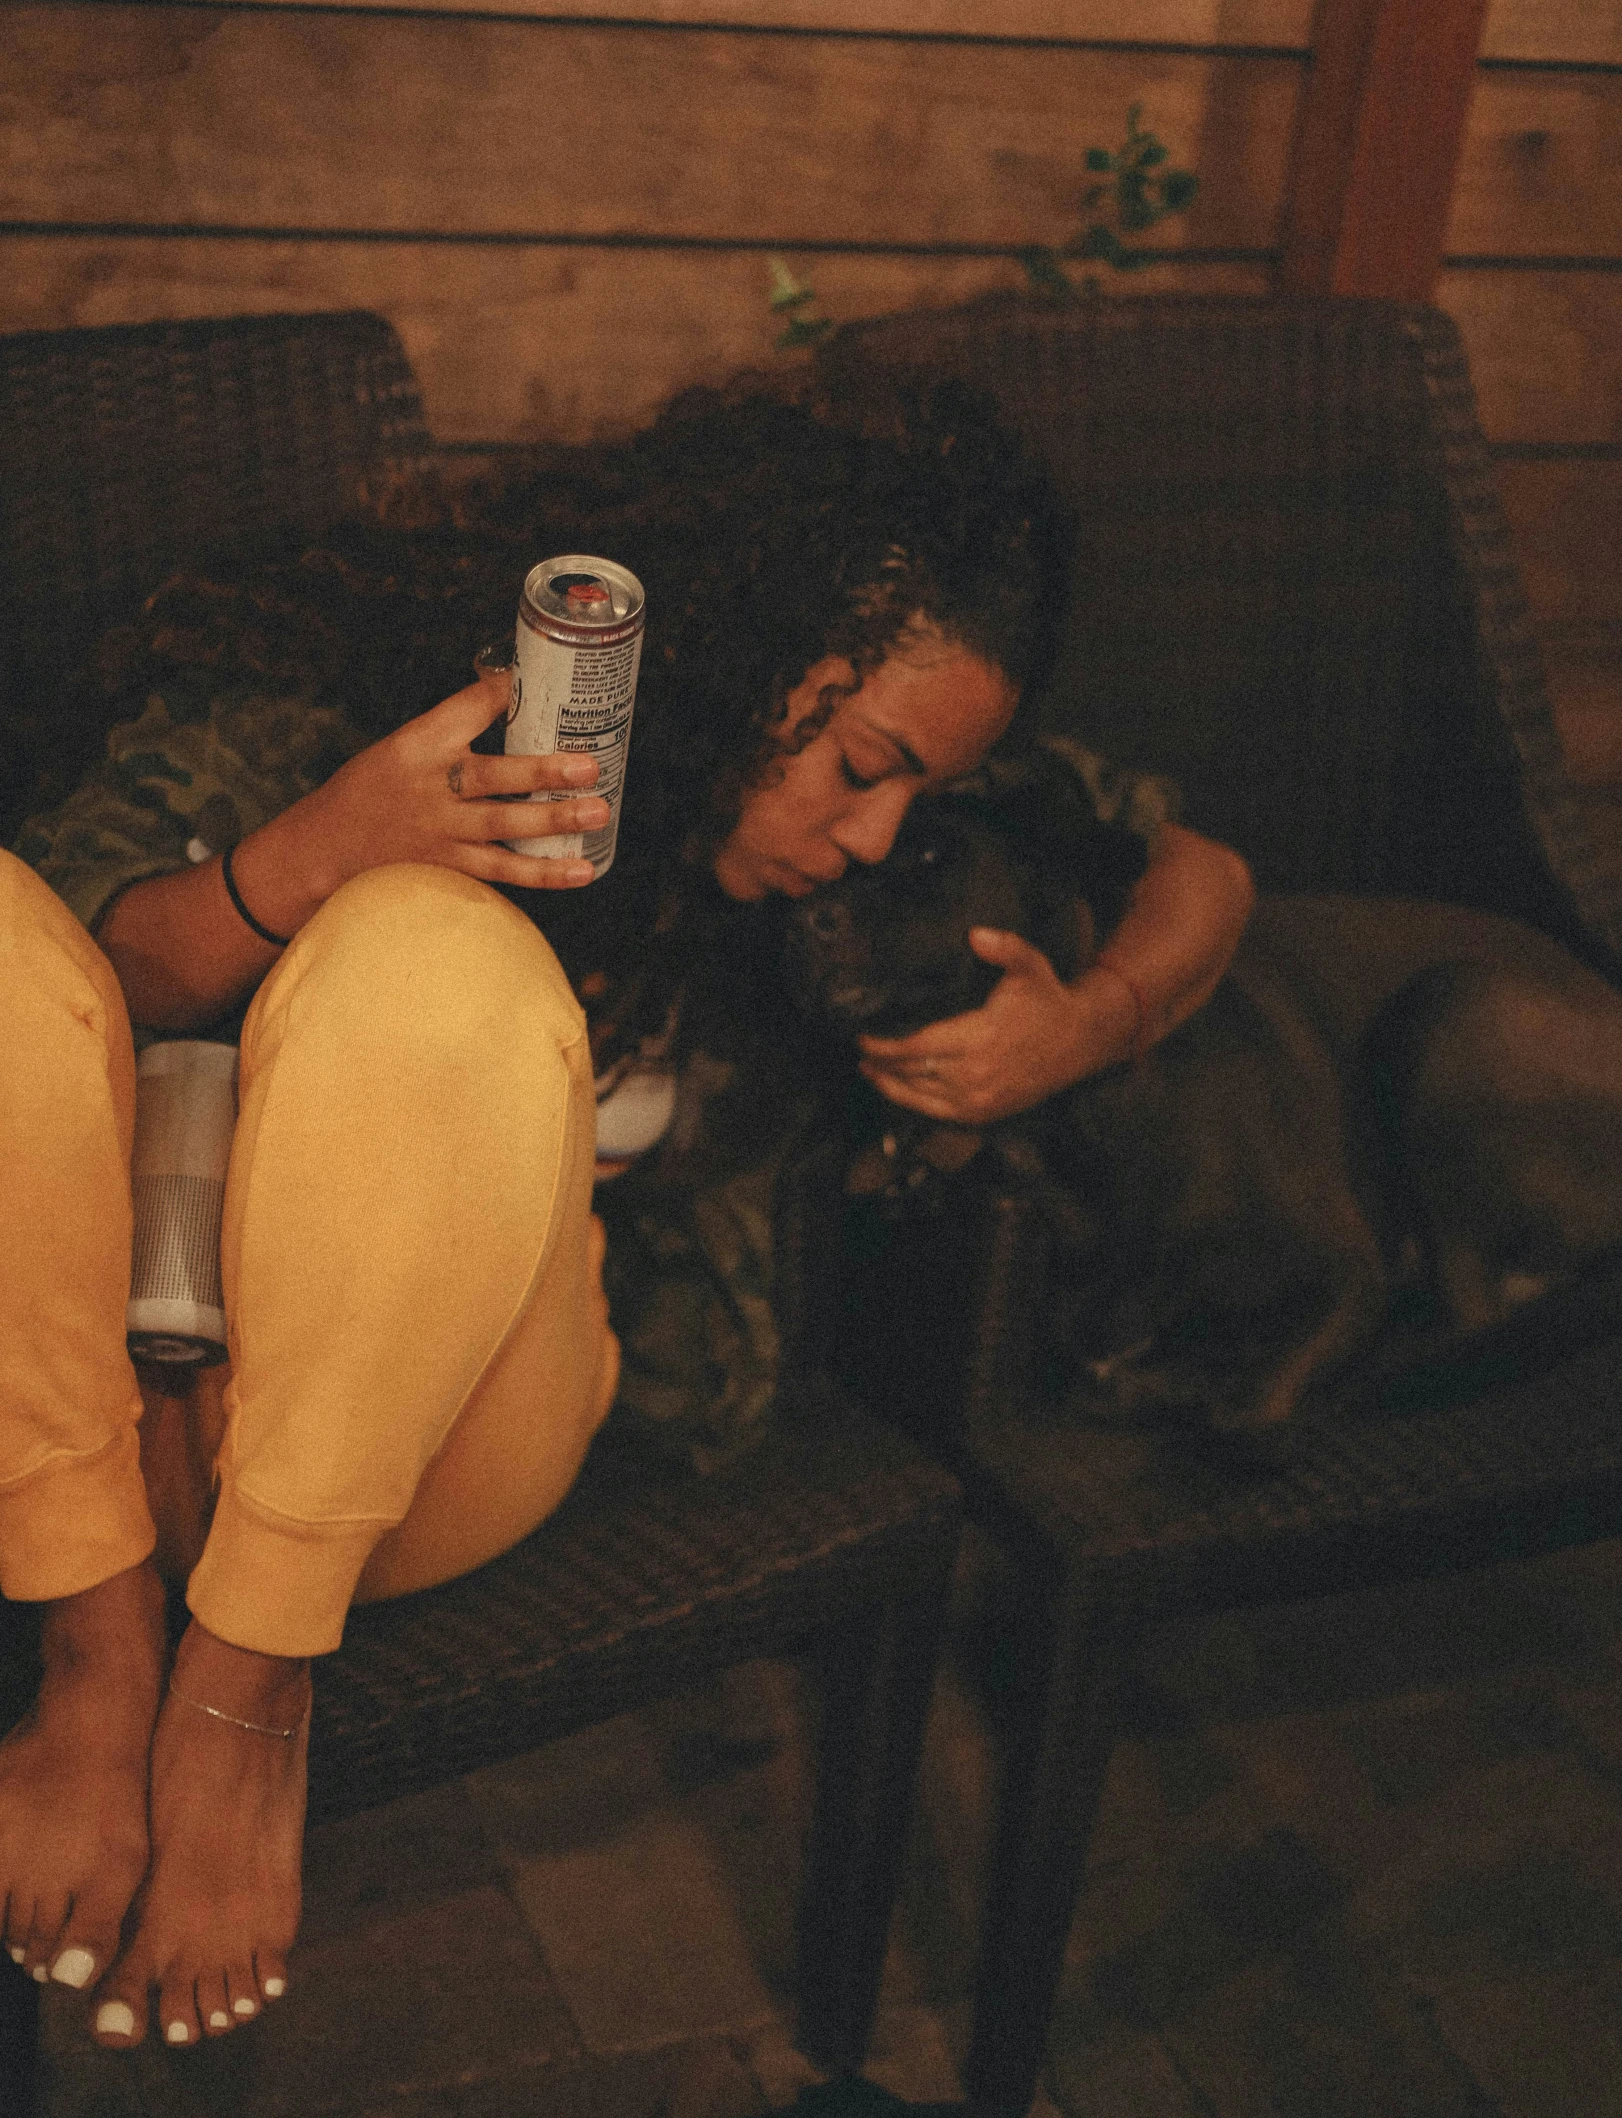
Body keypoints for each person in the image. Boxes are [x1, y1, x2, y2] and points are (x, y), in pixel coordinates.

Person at [0, 378, 1253, 2052]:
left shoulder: (879, 828)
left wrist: (1083, 1023)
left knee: (433, 962)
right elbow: (71, 995)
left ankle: (244, 1683)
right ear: (746, 652)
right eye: (861, 764)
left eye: (912, 793)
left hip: (413, 1422)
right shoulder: (370, 690)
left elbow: (1207, 873)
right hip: (83, 1372)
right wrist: (304, 858)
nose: (876, 832)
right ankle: (100, 1631)